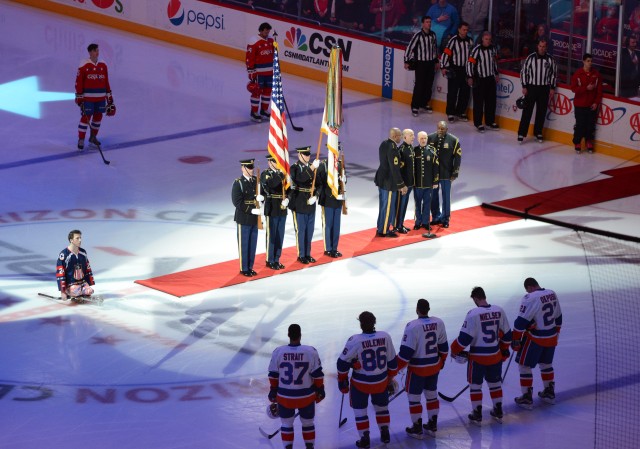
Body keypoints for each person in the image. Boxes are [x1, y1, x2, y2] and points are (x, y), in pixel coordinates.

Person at [450, 286, 512, 425]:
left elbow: (464, 339)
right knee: (495, 384)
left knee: (475, 386)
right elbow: (508, 335)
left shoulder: (473, 314)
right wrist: (504, 350)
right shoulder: (499, 310)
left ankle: (477, 413)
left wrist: (453, 349)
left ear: (476, 298)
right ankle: (498, 410)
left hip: (478, 358)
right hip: (495, 356)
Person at [337, 311, 398, 448]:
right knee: (382, 408)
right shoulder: (385, 337)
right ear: (374, 322)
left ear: (361, 324)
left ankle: (365, 438)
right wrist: (389, 379)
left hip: (361, 384)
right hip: (380, 382)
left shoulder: (355, 340)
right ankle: (385, 433)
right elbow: (393, 363)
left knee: (360, 411)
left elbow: (341, 364)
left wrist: (342, 380)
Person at [398, 299, 448, 439]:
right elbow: (444, 347)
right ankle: (433, 424)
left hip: (417, 370)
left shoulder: (412, 326)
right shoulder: (439, 322)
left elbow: (405, 354)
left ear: (417, 309)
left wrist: (392, 369)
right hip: (433, 367)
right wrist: (442, 361)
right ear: (429, 309)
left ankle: (417, 428)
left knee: (414, 398)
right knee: (431, 395)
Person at [268, 324, 325, 449]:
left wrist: (273, 391)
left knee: (287, 425)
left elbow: (273, 375)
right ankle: (309, 447)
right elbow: (318, 375)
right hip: (306, 397)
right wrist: (320, 389)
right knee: (308, 424)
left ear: (288, 335)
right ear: (300, 335)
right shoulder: (310, 351)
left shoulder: (278, 351)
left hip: (285, 397)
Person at [512, 277, 562, 409]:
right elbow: (559, 317)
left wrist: (515, 339)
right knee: (546, 364)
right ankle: (549, 392)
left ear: (529, 287)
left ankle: (527, 398)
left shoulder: (530, 298)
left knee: (524, 366)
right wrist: (556, 333)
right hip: (551, 336)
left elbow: (520, 322)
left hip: (535, 338)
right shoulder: (551, 293)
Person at [75, 43, 114, 151]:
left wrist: (110, 100)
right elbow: (79, 83)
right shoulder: (84, 65)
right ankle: (81, 139)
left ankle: (93, 137)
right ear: (90, 52)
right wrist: (79, 98)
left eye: (98, 50)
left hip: (101, 98)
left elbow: (106, 82)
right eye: (95, 50)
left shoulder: (103, 65)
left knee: (98, 118)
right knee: (85, 118)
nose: (98, 52)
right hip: (88, 98)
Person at [517, 38, 557, 144]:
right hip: (531, 88)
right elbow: (523, 72)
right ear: (537, 46)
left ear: (546, 47)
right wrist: (524, 86)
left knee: (541, 111)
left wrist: (552, 87)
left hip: (544, 89)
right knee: (527, 111)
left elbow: (553, 74)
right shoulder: (530, 58)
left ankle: (538, 132)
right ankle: (521, 133)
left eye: (544, 46)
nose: (542, 48)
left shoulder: (551, 59)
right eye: (540, 46)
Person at [374, 128, 408, 237]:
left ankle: (380, 227)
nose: (401, 138)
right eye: (399, 136)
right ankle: (384, 230)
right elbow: (394, 168)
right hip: (389, 182)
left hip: (382, 179)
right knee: (388, 206)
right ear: (394, 136)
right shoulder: (393, 148)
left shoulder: (384, 143)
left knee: (383, 205)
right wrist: (401, 184)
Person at [231, 158, 263, 277]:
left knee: (252, 243)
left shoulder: (255, 180)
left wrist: (261, 199)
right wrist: (251, 209)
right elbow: (237, 202)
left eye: (252, 168)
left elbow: (260, 194)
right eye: (249, 168)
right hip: (243, 217)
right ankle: (244, 268)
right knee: (244, 244)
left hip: (254, 218)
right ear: (243, 168)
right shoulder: (238, 182)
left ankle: (250, 267)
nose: (251, 170)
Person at [289, 146, 320, 264]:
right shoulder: (295, 168)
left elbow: (319, 184)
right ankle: (301, 254)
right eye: (305, 154)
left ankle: (308, 253)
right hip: (299, 202)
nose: (308, 156)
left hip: (311, 203)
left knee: (310, 230)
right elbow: (300, 179)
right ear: (299, 155)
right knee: (301, 230)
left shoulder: (313, 167)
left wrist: (316, 195)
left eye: (308, 154)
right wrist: (312, 168)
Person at [404, 16, 440, 116]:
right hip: (421, 63)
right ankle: (415, 106)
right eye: (427, 22)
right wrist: (406, 60)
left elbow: (434, 49)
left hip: (430, 63)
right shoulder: (418, 35)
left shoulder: (433, 35)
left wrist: (436, 60)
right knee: (419, 85)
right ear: (423, 24)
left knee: (428, 85)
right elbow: (410, 47)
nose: (429, 24)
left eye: (430, 22)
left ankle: (424, 103)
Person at [429, 121, 461, 229]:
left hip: (446, 174)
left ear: (446, 129)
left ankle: (445, 219)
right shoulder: (430, 138)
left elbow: (457, 158)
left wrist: (455, 173)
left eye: (442, 129)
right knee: (433, 196)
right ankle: (435, 217)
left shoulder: (453, 140)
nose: (440, 130)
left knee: (446, 197)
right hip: (433, 174)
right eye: (438, 128)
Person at [466, 31, 500, 132]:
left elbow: (494, 62)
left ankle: (490, 122)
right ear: (482, 39)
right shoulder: (476, 50)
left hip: (490, 78)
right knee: (479, 102)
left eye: (489, 39)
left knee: (491, 101)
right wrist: (470, 76)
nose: (488, 41)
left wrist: (496, 74)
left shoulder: (493, 49)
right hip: (479, 79)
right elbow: (470, 63)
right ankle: (478, 123)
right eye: (486, 39)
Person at [441, 22, 474, 122]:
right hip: (455, 69)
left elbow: (472, 56)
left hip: (466, 70)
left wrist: (471, 71)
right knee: (452, 92)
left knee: (465, 93)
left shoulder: (470, 41)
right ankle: (450, 112)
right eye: (464, 29)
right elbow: (446, 54)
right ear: (459, 29)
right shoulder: (453, 41)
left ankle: (460, 112)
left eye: (467, 30)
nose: (465, 31)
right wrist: (443, 67)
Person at [570, 53, 602, 154]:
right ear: (583, 61)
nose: (590, 63)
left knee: (590, 125)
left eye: (591, 61)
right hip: (579, 104)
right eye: (588, 61)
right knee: (580, 125)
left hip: (591, 105)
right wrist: (585, 88)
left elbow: (599, 91)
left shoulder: (596, 74)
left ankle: (589, 141)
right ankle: (577, 142)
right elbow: (573, 89)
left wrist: (596, 103)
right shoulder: (578, 74)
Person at [261, 154, 289, 270]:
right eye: (274, 161)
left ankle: (277, 259)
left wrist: (288, 199)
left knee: (280, 235)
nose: (277, 163)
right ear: (269, 162)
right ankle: (270, 260)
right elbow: (271, 185)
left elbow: (289, 188)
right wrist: (280, 175)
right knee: (272, 235)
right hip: (272, 207)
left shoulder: (282, 173)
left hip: (282, 207)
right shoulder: (265, 174)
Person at [317, 152, 345, 258]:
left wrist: (344, 180)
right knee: (328, 225)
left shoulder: (339, 164)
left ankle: (334, 248)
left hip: (337, 199)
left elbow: (343, 179)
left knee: (336, 225)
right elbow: (318, 183)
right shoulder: (323, 165)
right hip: (327, 199)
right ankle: (327, 248)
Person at [413, 131, 439, 236]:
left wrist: (435, 181)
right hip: (418, 184)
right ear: (418, 139)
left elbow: (435, 167)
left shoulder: (432, 151)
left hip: (428, 184)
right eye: (421, 138)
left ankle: (425, 222)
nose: (423, 140)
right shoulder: (414, 151)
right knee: (417, 204)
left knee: (427, 204)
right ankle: (418, 222)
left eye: (425, 138)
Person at [246, 22, 274, 123]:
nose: (267, 33)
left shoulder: (271, 40)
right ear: (261, 30)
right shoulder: (254, 41)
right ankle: (254, 112)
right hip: (259, 73)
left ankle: (264, 110)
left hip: (270, 72)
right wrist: (251, 71)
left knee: (267, 92)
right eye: (266, 31)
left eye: (268, 31)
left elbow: (273, 55)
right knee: (257, 92)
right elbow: (250, 57)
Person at [56, 229, 95, 301]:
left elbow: (88, 268)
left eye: (80, 238)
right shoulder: (64, 254)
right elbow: (60, 273)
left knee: (90, 291)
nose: (80, 240)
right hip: (71, 285)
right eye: (77, 238)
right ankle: (73, 292)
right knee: (75, 291)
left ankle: (81, 291)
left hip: (82, 283)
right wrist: (63, 291)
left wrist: (89, 282)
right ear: (71, 240)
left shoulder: (83, 252)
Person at [394, 129, 415, 234]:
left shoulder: (411, 148)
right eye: (411, 135)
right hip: (405, 184)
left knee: (405, 204)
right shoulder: (401, 150)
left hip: (410, 183)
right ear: (405, 137)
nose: (413, 137)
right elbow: (399, 169)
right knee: (401, 205)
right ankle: (398, 225)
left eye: (413, 135)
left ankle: (401, 224)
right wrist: (402, 185)